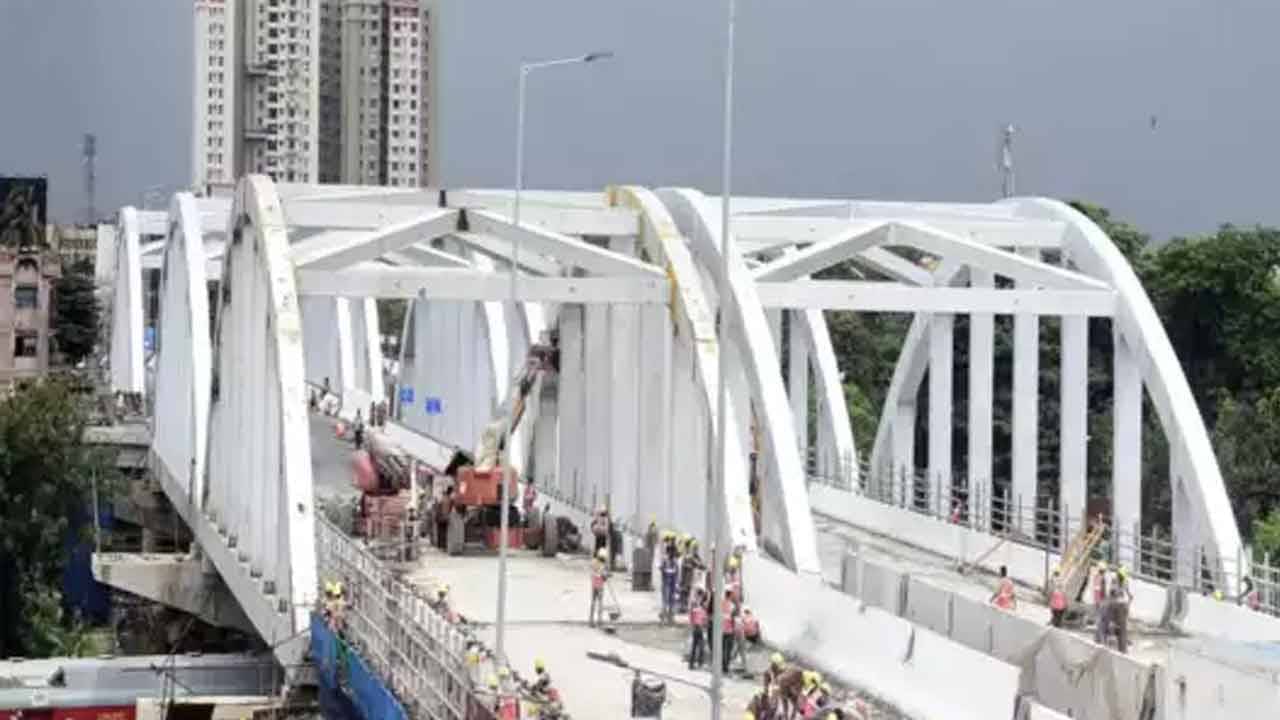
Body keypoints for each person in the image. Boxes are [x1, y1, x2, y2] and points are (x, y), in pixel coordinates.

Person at [1110, 566, 1133, 653]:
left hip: (1122, 605)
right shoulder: (1115, 581)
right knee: (1115, 623)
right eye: (1121, 576)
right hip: (1116, 604)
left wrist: (1129, 596)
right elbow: (1112, 592)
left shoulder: (1125, 581)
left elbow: (1126, 591)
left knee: (1123, 624)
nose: (1122, 578)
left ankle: (1123, 643)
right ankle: (1116, 641)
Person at [660, 538, 679, 623]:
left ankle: (670, 616)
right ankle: (665, 616)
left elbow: (677, 572)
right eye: (672, 552)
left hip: (672, 584)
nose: (673, 554)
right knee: (666, 600)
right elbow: (662, 569)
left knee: (671, 600)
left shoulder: (674, 562)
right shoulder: (665, 560)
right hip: (667, 583)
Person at [1091, 562, 1111, 645]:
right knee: (1101, 620)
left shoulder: (1097, 577)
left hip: (1098, 600)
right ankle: (1099, 638)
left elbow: (1096, 589)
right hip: (1101, 601)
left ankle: (1097, 637)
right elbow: (1101, 590)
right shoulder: (1101, 578)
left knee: (1100, 619)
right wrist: (1104, 600)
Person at [688, 587, 708, 669]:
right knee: (700, 646)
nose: (701, 598)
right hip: (698, 627)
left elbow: (692, 617)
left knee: (696, 646)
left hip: (697, 627)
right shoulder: (697, 605)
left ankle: (692, 663)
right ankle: (698, 663)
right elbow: (694, 616)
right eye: (701, 596)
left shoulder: (697, 605)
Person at [589, 548, 609, 627]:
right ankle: (599, 621)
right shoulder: (602, 564)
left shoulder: (593, 562)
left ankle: (591, 620)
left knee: (593, 602)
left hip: (594, 583)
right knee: (600, 603)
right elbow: (603, 575)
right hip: (599, 584)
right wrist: (606, 576)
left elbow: (593, 572)